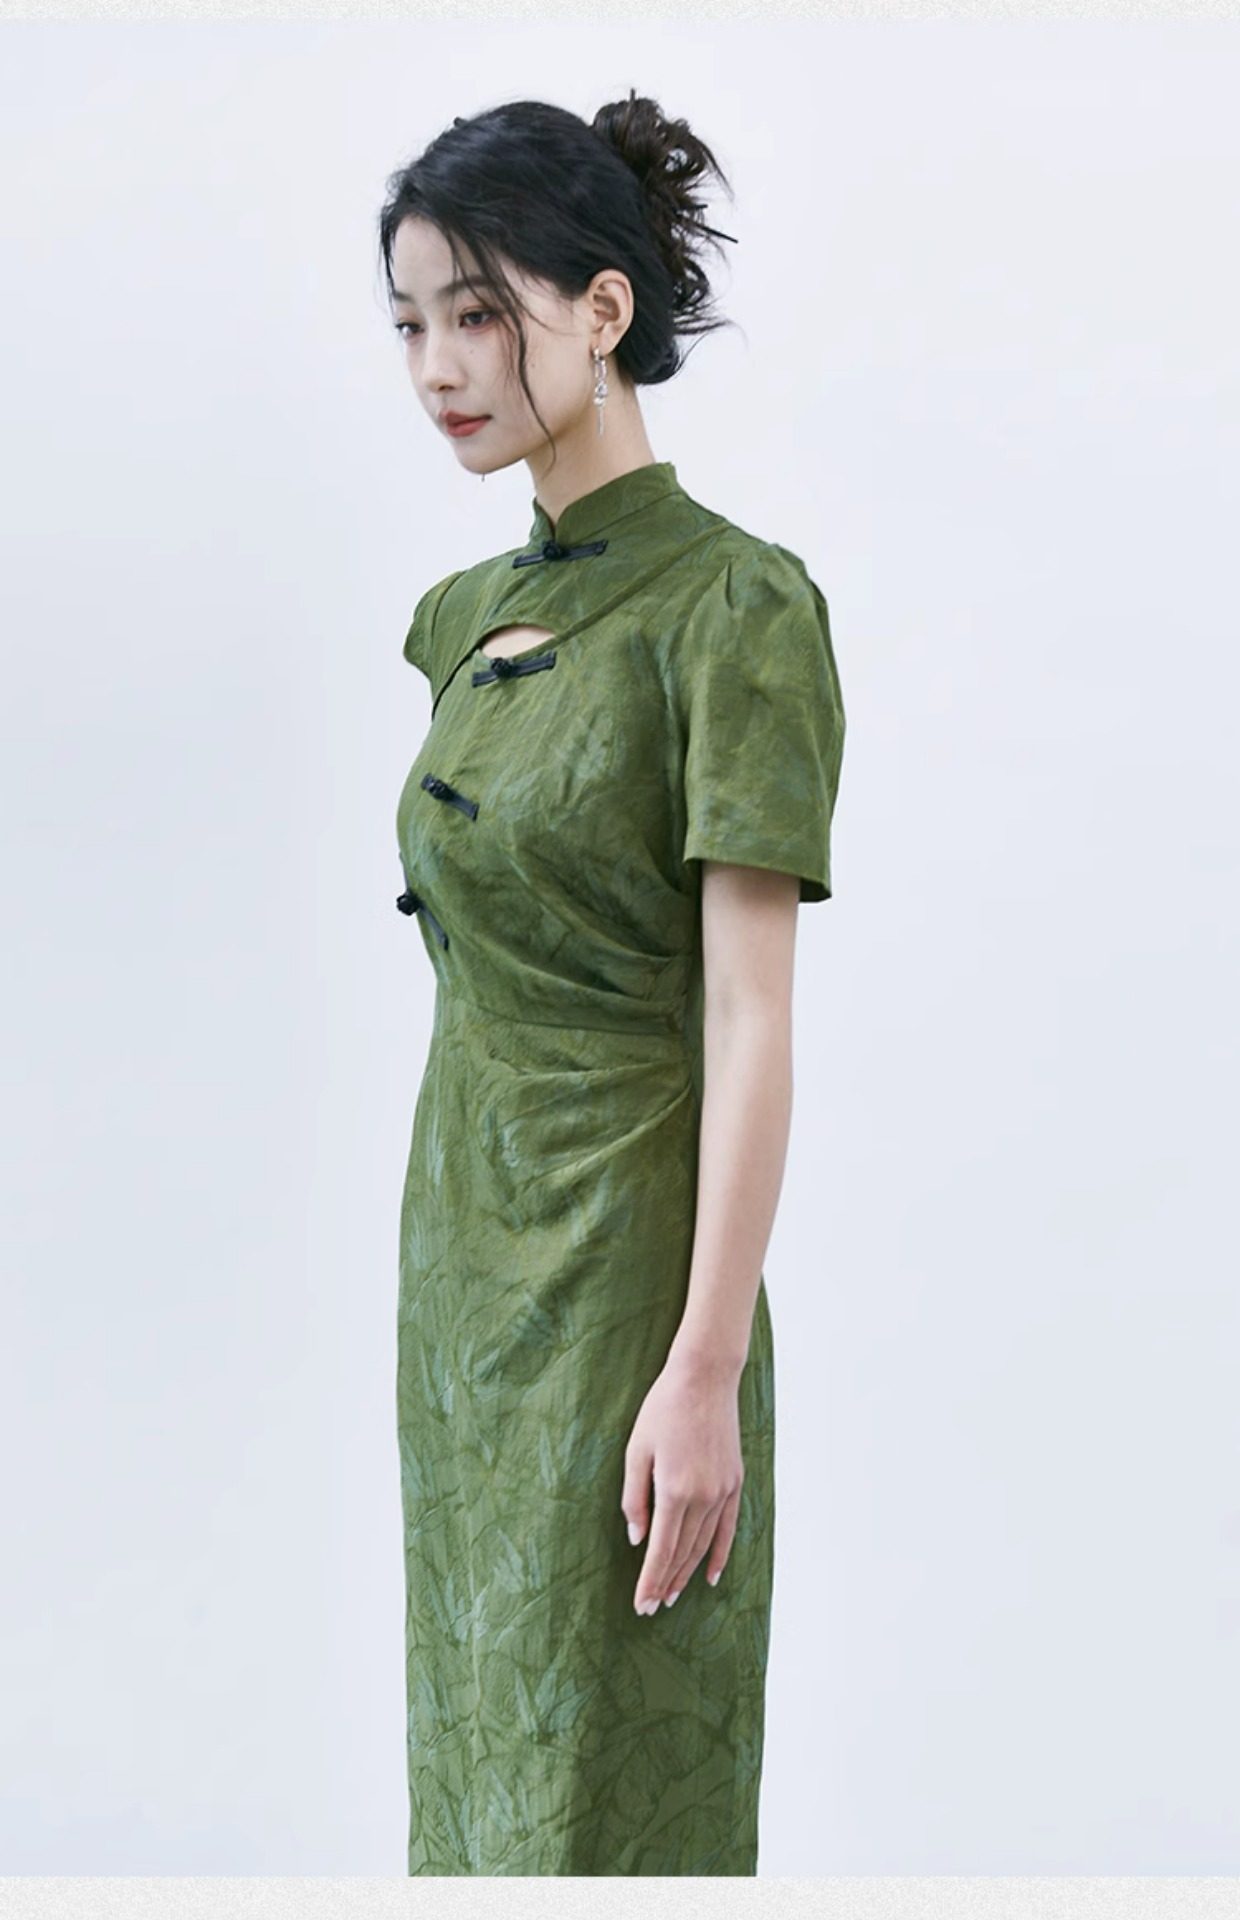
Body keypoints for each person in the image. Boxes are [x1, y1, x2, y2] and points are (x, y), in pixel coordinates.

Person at [377, 90, 846, 1876]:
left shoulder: (735, 608)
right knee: (475, 1778)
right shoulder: (455, 624)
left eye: (478, 312)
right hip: (458, 1272)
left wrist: (704, 1363)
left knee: (612, 1790)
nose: (439, 365)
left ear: (601, 308)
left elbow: (752, 1015)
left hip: (630, 1275)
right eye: (409, 322)